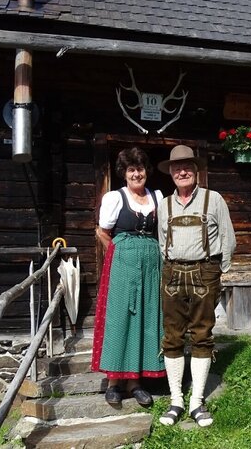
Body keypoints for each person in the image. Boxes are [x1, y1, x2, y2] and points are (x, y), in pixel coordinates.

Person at [156, 145, 236, 428]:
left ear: (196, 170)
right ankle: (176, 399)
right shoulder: (164, 205)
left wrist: (218, 270)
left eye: (187, 166)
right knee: (172, 335)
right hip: (172, 272)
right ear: (171, 173)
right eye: (177, 168)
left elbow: (228, 238)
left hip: (205, 271)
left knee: (202, 333)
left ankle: (196, 401)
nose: (182, 171)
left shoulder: (213, 199)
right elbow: (161, 241)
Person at [91, 147, 165, 407]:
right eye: (131, 169)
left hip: (151, 265)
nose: (137, 174)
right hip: (123, 263)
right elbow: (102, 231)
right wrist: (118, 250)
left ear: (147, 171)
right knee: (120, 316)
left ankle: (135, 382)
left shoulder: (157, 196)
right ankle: (114, 381)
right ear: (124, 173)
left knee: (146, 318)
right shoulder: (115, 197)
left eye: (140, 168)